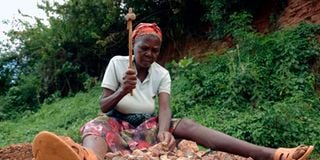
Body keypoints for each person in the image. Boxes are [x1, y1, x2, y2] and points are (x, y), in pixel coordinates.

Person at [32, 23, 314, 160]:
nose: (150, 55)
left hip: (148, 126)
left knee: (186, 124)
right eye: (144, 49)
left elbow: (164, 107)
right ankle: (84, 157)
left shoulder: (161, 73)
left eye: (155, 50)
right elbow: (104, 105)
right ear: (134, 46)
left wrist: (165, 130)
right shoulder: (118, 64)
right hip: (115, 123)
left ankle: (272, 155)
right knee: (96, 126)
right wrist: (122, 90)